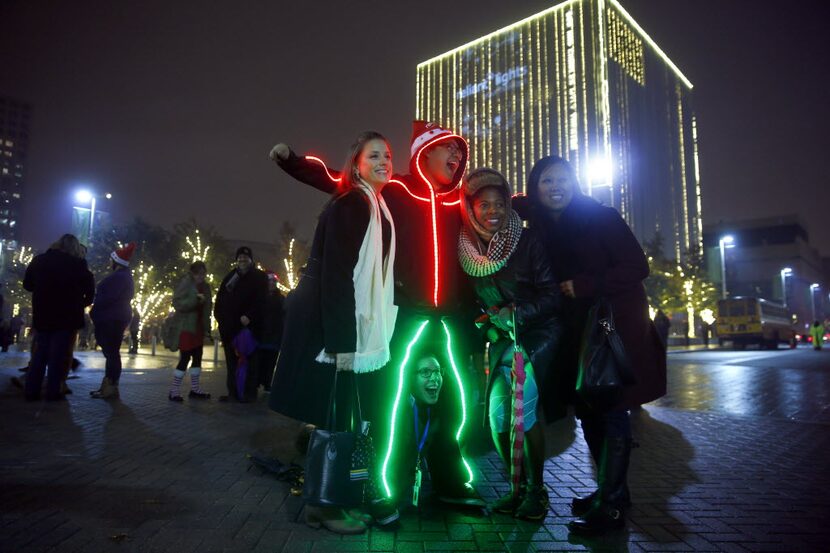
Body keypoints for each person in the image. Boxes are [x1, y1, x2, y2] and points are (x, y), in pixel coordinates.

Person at [270, 121, 485, 510]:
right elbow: (342, 180)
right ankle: (385, 486)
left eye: (460, 151)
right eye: (447, 149)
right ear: (425, 152)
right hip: (403, 317)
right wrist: (294, 162)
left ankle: (452, 480)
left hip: (449, 321)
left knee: (454, 403)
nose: (456, 157)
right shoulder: (398, 192)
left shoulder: (461, 204)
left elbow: (499, 205)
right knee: (390, 403)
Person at [519, 155, 667, 534]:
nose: (556, 187)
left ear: (576, 183)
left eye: (563, 180)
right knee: (588, 408)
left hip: (611, 326)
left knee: (612, 408)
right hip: (578, 329)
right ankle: (610, 489)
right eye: (547, 181)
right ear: (536, 188)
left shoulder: (601, 217)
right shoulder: (544, 226)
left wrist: (585, 284)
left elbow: (637, 266)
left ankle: (612, 505)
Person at [269, 131, 398, 534]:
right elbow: (338, 275)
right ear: (355, 164)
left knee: (340, 414)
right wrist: (343, 343)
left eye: (388, 155)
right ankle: (322, 508)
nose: (383, 161)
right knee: (333, 415)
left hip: (338, 317)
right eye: (373, 155)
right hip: (329, 322)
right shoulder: (353, 204)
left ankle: (331, 500)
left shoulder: (372, 203)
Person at [457, 169, 562, 520]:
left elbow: (552, 295)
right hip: (503, 337)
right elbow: (473, 303)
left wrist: (517, 311)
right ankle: (516, 489)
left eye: (499, 204)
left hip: (537, 333)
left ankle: (537, 493)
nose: (493, 211)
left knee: (524, 410)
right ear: (471, 208)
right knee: (498, 416)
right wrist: (485, 322)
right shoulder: (466, 249)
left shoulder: (527, 241)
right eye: (484, 204)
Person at [22, 234, 95, 401]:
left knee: (40, 354)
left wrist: (41, 292)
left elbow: (27, 284)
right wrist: (79, 304)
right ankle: (53, 391)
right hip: (67, 318)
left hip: (43, 314)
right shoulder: (78, 265)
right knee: (58, 356)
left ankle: (32, 391)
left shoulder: (40, 260)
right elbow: (90, 292)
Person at [214, 246, 268, 402]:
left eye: (245, 257)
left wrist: (249, 316)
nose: (242, 260)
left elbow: (261, 301)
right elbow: (220, 300)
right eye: (239, 258)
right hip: (230, 329)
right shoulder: (231, 277)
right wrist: (221, 319)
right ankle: (233, 392)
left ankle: (248, 393)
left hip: (249, 328)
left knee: (250, 362)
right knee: (231, 363)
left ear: (251, 259)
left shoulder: (259, 277)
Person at [90, 243, 136, 400]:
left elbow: (107, 298)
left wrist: (95, 310)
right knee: (112, 353)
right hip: (115, 317)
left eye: (111, 260)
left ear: (117, 262)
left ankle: (110, 387)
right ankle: (108, 386)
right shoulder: (124, 277)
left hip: (111, 318)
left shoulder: (119, 278)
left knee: (112, 353)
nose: (109, 262)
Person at [168, 261, 213, 401]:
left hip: (198, 327)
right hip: (187, 326)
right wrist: (194, 299)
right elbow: (177, 303)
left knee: (198, 357)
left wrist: (207, 329)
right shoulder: (186, 283)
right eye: (198, 274)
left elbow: (207, 310)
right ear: (192, 273)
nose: (201, 277)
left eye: (203, 274)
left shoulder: (205, 286)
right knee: (185, 357)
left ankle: (195, 389)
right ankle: (174, 390)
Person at [258, 272, 284, 391]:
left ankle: (267, 382)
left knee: (271, 361)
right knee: (260, 360)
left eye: (274, 281)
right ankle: (258, 381)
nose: (272, 283)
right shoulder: (260, 296)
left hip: (274, 334)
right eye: (270, 281)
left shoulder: (281, 298)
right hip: (261, 334)